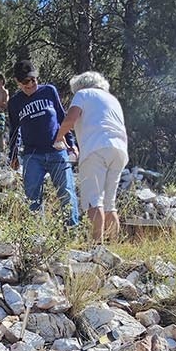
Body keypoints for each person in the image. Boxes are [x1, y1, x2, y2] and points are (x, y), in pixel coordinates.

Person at [54, 71, 127, 244]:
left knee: (94, 201)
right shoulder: (112, 99)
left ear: (79, 86)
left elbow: (70, 118)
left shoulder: (83, 94)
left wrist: (58, 137)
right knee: (110, 204)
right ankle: (114, 248)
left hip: (95, 148)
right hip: (119, 150)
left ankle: (96, 247)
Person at [6, 59, 79, 226]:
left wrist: (72, 144)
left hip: (57, 150)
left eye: (34, 79)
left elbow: (62, 118)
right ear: (17, 82)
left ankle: (72, 231)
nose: (31, 84)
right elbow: (14, 131)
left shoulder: (49, 91)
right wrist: (13, 155)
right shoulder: (15, 103)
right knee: (32, 194)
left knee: (66, 191)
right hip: (32, 155)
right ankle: (36, 233)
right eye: (26, 81)